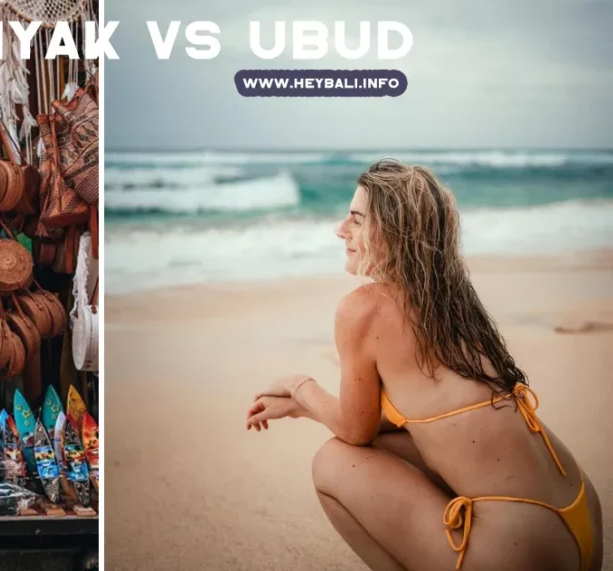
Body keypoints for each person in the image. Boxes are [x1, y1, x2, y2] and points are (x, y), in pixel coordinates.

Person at [245, 159, 603, 571]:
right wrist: (305, 409)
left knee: (332, 461)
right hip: (578, 520)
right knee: (388, 447)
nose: (340, 230)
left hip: (519, 550)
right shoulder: (453, 302)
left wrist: (298, 386)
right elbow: (406, 424)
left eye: (357, 220)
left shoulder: (363, 309)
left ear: (395, 232)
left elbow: (353, 432)